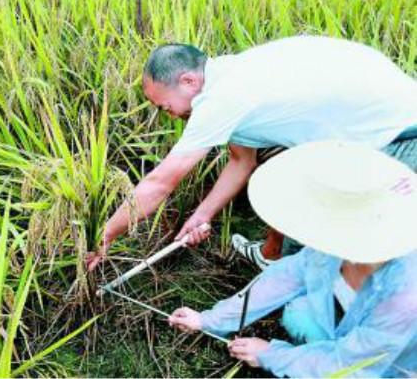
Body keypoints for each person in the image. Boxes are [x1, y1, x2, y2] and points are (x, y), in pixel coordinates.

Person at [86, 35, 417, 271]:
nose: (167, 114)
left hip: (396, 139)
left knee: (354, 244)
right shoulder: (230, 76)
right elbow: (242, 160)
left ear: (188, 80)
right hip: (365, 129)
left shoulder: (221, 99)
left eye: (164, 104)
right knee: (289, 176)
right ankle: (275, 259)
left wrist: (105, 236)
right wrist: (202, 216)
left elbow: (161, 183)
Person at [168, 140, 417, 377]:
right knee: (298, 314)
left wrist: (271, 355)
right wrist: (208, 320)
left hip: (394, 366)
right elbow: (284, 278)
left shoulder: (404, 296)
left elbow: (353, 367)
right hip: (363, 339)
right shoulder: (337, 244)